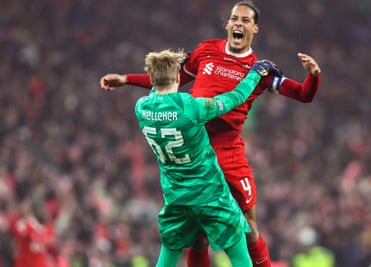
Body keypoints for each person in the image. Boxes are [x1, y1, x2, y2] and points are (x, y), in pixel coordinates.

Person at [100, 2, 321, 266]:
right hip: (196, 151)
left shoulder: (261, 68)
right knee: (198, 235)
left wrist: (313, 76)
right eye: (234, 19)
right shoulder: (207, 50)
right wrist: (127, 79)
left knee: (249, 225)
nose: (238, 23)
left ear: (255, 28)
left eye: (245, 20)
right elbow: (172, 79)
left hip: (228, 152)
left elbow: (303, 94)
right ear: (227, 24)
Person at [131, 48, 280, 267]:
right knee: (239, 255)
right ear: (178, 77)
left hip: (176, 197)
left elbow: (157, 90)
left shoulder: (142, 107)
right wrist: (255, 73)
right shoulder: (191, 107)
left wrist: (164, 68)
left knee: (168, 255)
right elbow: (235, 97)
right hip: (210, 194)